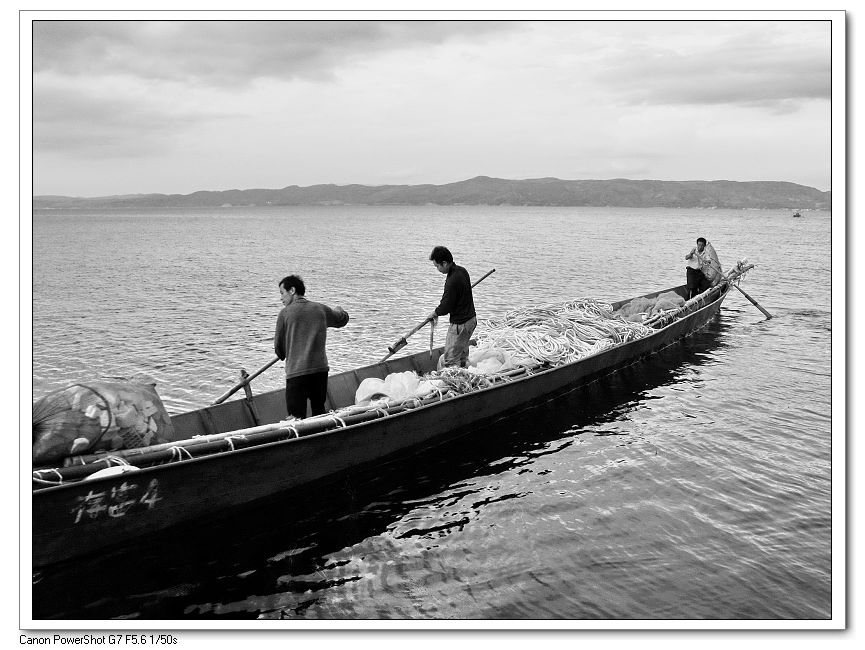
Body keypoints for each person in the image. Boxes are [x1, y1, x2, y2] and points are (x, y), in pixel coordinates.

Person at [274, 275, 349, 419]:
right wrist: (341, 310)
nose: (281, 298)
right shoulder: (320, 309)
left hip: (296, 373)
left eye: (282, 293)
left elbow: (279, 350)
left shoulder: (284, 314)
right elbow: (341, 319)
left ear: (292, 290)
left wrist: (287, 349)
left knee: (296, 417)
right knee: (319, 413)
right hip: (319, 371)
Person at [427, 246, 477, 368]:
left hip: (460, 325)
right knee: (462, 356)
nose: (437, 269)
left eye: (437, 266)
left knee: (450, 360)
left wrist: (435, 313)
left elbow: (446, 306)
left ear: (444, 263)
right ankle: (467, 378)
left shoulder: (452, 280)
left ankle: (456, 385)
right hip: (471, 320)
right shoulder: (462, 271)